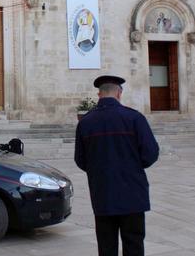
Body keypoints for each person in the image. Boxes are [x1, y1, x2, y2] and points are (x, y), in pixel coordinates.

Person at [74, 76, 159, 256]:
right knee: (134, 244)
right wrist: (131, 167)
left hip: (102, 193)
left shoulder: (86, 122)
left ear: (99, 94)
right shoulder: (134, 118)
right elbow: (150, 154)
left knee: (106, 245)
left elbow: (80, 160)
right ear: (119, 93)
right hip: (132, 193)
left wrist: (99, 170)